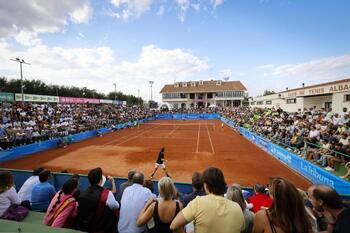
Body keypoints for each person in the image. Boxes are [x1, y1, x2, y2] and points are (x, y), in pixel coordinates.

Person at [170, 167, 245, 233]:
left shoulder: (198, 202)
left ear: (205, 185)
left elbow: (173, 226)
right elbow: (241, 230)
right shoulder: (237, 208)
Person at [77, 167, 119, 233]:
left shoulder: (81, 195)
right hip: (100, 228)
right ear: (100, 180)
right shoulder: (106, 194)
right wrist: (113, 181)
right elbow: (116, 206)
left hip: (86, 227)